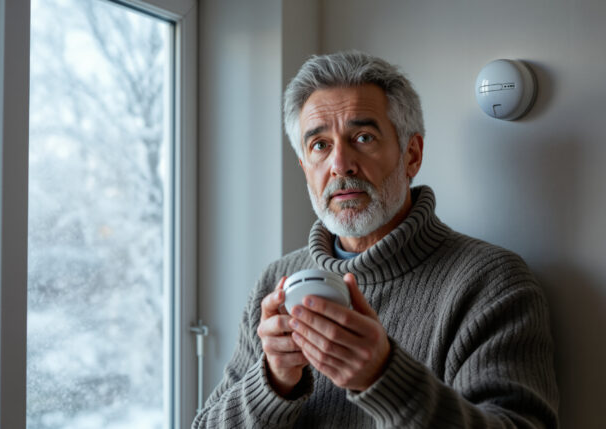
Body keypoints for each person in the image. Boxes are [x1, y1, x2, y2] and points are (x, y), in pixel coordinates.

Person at [192, 51, 559, 428]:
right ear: (305, 168)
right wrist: (273, 382)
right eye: (319, 145)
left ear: (411, 155)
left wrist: (384, 377)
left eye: (363, 137)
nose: (340, 164)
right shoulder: (276, 284)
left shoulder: (490, 283)